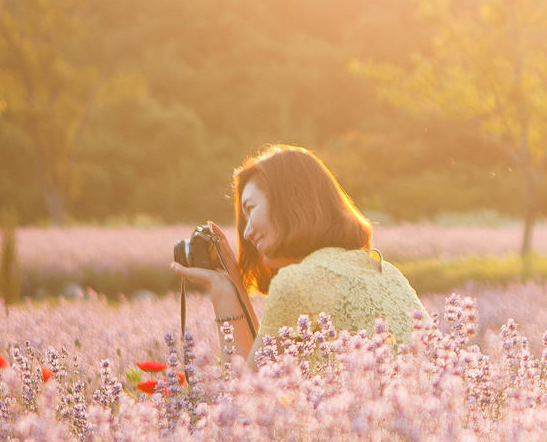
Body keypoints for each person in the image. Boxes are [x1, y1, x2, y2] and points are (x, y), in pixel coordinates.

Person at [172, 144, 424, 365]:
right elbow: (264, 368)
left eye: (251, 209)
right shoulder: (385, 272)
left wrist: (221, 290)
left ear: (288, 202)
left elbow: (242, 404)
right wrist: (235, 285)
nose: (247, 233)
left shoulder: (299, 281)